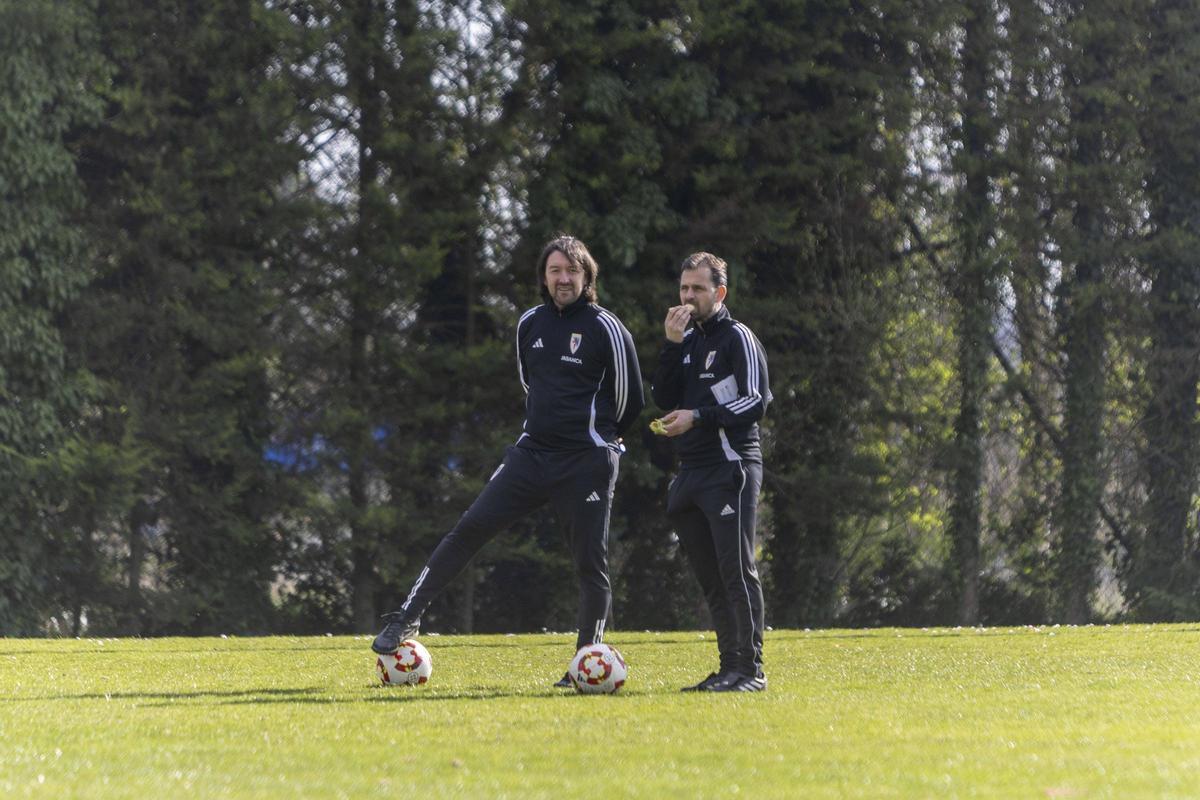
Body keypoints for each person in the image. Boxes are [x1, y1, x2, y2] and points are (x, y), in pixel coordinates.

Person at [372, 234, 645, 687]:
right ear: (544, 276)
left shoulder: (606, 327)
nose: (563, 278)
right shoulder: (529, 325)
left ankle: (583, 664)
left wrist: (603, 440)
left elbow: (630, 400)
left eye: (572, 271)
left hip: (586, 461)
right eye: (555, 270)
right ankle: (406, 616)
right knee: (468, 529)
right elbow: (530, 387)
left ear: (587, 276)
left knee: (589, 563)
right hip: (531, 455)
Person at [651, 252, 771, 693]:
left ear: (718, 293)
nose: (687, 297)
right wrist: (671, 343)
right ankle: (728, 668)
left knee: (736, 570)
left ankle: (750, 670)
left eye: (697, 289)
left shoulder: (738, 337)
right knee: (712, 578)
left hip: (731, 467)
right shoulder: (687, 341)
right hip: (691, 473)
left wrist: (698, 417)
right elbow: (663, 394)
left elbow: (757, 401)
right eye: (684, 288)